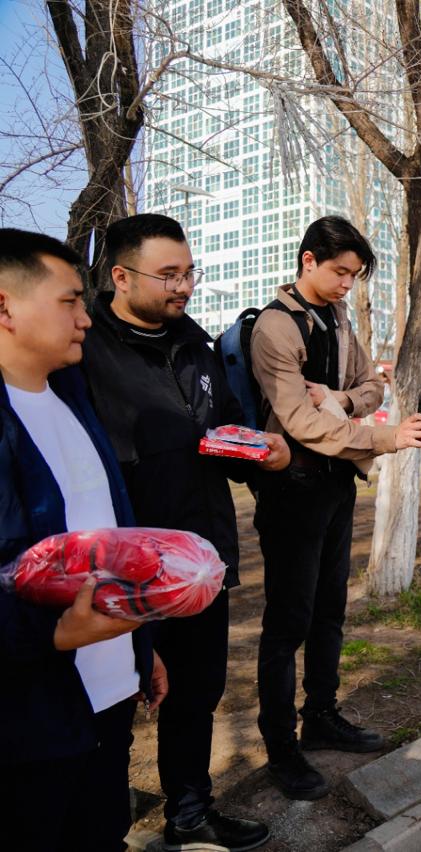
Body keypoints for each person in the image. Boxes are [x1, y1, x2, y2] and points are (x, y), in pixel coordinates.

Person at [80, 214, 286, 851]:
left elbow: (222, 425)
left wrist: (263, 450)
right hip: (122, 565)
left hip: (201, 558)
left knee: (198, 691)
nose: (185, 286)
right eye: (168, 275)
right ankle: (100, 829)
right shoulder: (84, 350)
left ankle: (190, 812)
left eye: (188, 272)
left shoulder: (195, 344)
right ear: (120, 275)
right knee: (112, 704)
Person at [0, 229, 167, 851]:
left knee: (103, 833)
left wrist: (139, 647)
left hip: (109, 691)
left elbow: (105, 537)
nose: (85, 320)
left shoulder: (70, 396)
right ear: (5, 306)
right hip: (29, 717)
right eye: (70, 301)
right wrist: (55, 635)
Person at [251, 216, 421, 800]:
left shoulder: (338, 317)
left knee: (330, 612)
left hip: (334, 485)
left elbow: (373, 386)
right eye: (339, 272)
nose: (348, 283)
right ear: (308, 261)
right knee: (287, 624)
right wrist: (382, 436)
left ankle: (321, 715)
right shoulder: (276, 328)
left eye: (354, 275)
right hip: (292, 489)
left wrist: (340, 397)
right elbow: (299, 425)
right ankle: (281, 747)